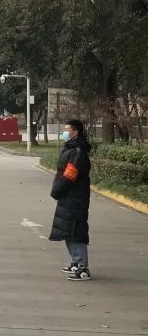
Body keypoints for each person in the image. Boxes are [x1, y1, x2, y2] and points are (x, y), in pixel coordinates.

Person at [49, 119, 92, 281]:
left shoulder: (77, 152)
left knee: (75, 231)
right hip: (68, 196)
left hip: (75, 197)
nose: (65, 132)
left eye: (68, 130)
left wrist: (57, 190)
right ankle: (75, 262)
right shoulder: (71, 149)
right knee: (67, 230)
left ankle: (82, 267)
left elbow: (70, 175)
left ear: (76, 132)